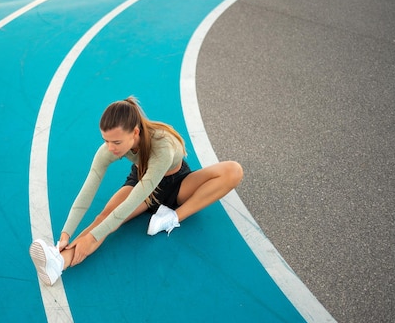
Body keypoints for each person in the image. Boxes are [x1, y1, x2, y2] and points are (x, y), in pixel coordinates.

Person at [30, 96, 243, 286]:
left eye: (116, 142)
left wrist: (94, 236)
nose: (110, 147)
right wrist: (66, 234)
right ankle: (58, 263)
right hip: (143, 180)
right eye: (105, 140)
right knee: (103, 217)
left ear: (135, 133)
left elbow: (135, 199)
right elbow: (89, 188)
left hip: (177, 184)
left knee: (233, 170)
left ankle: (173, 217)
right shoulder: (110, 148)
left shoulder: (163, 146)